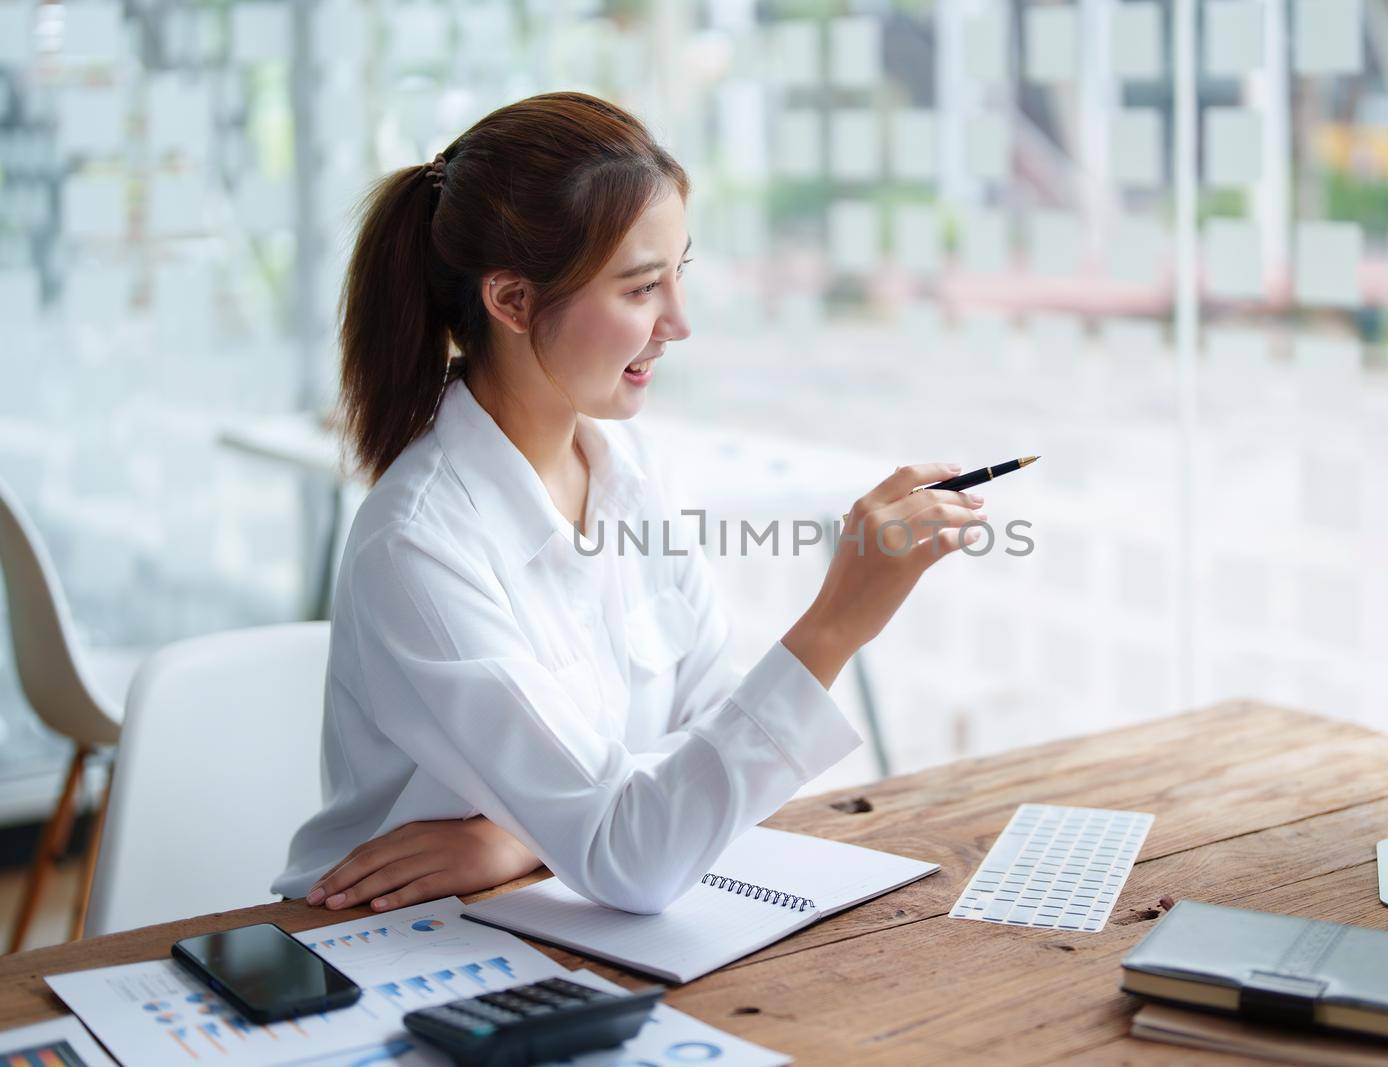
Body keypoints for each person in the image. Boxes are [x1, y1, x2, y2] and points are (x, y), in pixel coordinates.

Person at [271, 92, 986, 915]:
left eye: (678, 275)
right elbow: (634, 856)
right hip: (396, 941)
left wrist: (524, 834)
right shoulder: (420, 544)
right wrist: (836, 622)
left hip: (546, 912)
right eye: (642, 288)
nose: (678, 322)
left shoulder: (632, 468)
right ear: (510, 302)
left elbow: (704, 741)